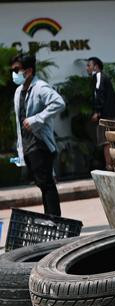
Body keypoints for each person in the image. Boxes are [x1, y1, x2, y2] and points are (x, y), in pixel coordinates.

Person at [12, 53, 64, 216]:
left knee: (46, 183)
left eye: (16, 69)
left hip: (40, 143)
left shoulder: (40, 87)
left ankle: (55, 219)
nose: (14, 73)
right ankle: (50, 217)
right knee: (42, 183)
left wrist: (36, 119)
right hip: (28, 144)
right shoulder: (19, 91)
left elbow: (59, 103)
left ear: (28, 71)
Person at [86, 57, 115, 171]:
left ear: (96, 66)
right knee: (108, 140)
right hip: (107, 114)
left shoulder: (99, 76)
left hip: (105, 115)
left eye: (89, 65)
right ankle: (111, 165)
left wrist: (97, 112)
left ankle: (110, 165)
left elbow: (99, 93)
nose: (87, 68)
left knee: (106, 141)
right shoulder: (99, 77)